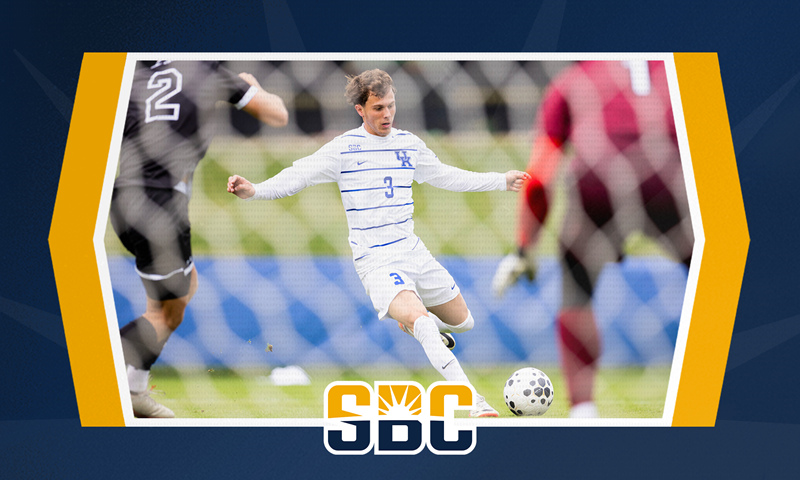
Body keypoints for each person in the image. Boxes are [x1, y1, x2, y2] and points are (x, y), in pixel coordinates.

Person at [227, 68, 529, 417]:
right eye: (378, 108)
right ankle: (473, 401)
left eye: (391, 106)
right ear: (360, 110)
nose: (387, 114)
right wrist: (255, 190)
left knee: (464, 323)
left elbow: (447, 176)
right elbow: (298, 176)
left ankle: (413, 323)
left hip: (413, 251)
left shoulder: (408, 144)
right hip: (376, 262)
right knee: (423, 321)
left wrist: (500, 180)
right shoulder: (344, 149)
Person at [492, 60, 693, 418]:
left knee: (577, 289)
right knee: (720, 279)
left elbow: (540, 177)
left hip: (597, 181)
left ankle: (583, 412)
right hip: (673, 180)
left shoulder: (574, 79)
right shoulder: (681, 74)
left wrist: (524, 247)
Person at [111, 60, 288, 418]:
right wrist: (251, 85)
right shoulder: (204, 68)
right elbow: (278, 115)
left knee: (181, 290)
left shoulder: (133, 76)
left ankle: (135, 387)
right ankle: (95, 367)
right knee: (165, 311)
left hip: (120, 199)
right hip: (162, 203)